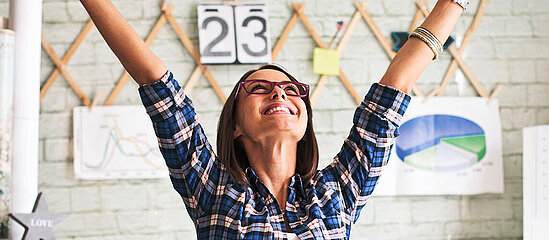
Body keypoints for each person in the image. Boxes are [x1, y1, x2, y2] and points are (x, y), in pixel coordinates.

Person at [80, 0, 467, 239]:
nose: (280, 93)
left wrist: (453, 3)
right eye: (259, 89)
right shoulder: (214, 191)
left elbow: (389, 96)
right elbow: (157, 85)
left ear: (305, 120)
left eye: (290, 89)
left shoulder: (336, 194)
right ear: (234, 124)